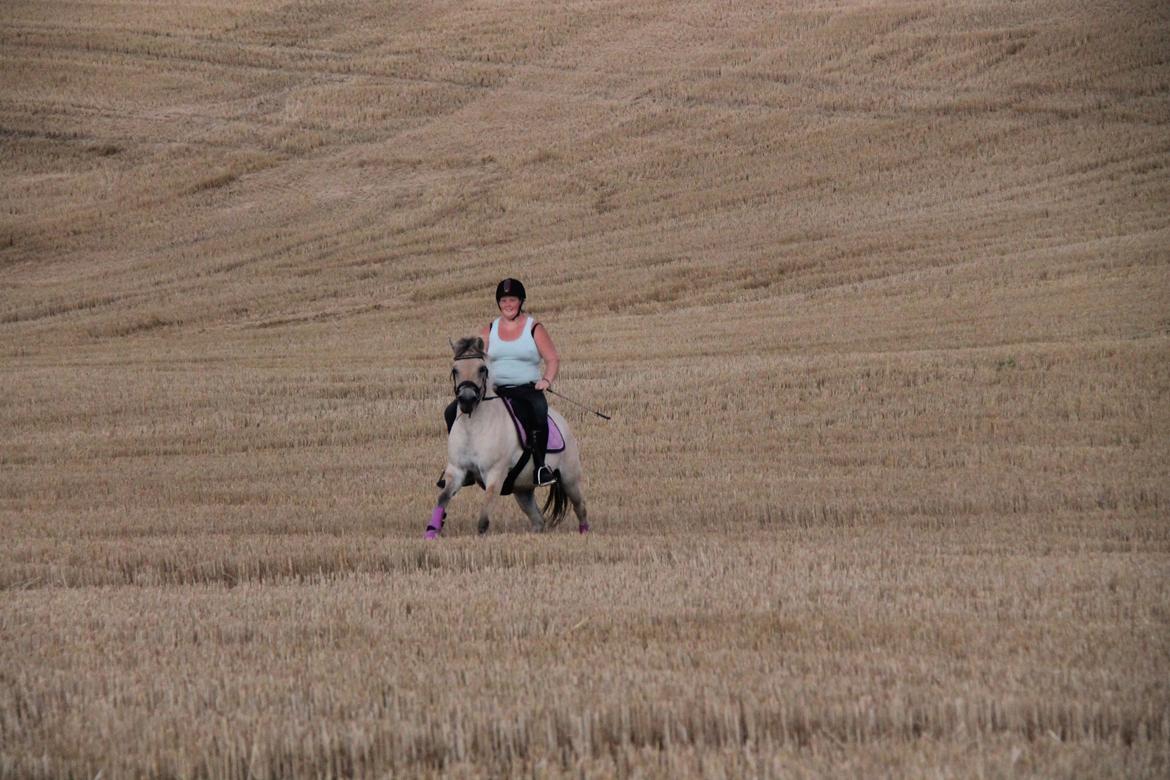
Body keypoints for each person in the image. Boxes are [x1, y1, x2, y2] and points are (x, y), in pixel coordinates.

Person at [443, 278, 560, 486]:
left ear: (521, 301)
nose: (508, 304)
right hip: (495, 390)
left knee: (539, 410)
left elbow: (552, 359)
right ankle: (461, 464)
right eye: (504, 300)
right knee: (451, 411)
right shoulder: (490, 329)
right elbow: (475, 358)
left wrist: (546, 380)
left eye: (512, 300)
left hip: (526, 389)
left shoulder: (534, 328)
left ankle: (540, 467)